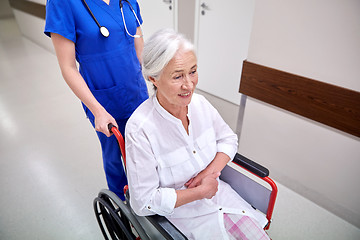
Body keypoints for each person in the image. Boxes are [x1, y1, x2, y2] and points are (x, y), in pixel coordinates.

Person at [125, 28, 270, 240]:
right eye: (177, 76)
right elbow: (142, 202)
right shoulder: (140, 129)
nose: (189, 85)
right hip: (182, 218)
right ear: (153, 79)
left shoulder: (201, 105)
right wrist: (199, 192)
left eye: (193, 71)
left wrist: (209, 173)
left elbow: (228, 139)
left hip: (224, 200)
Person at [44, 0, 148, 200]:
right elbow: (68, 68)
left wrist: (157, 79)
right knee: (115, 158)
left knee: (145, 151)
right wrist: (98, 111)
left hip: (137, 92)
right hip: (103, 101)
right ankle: (122, 204)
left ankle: (150, 197)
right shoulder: (62, 3)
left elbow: (139, 46)